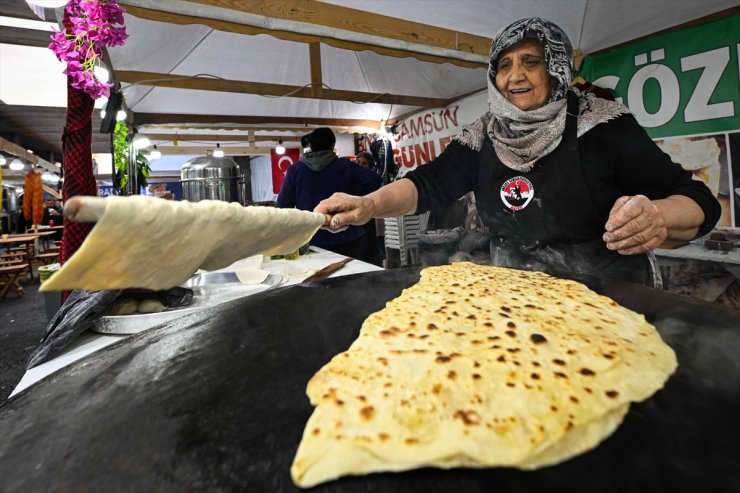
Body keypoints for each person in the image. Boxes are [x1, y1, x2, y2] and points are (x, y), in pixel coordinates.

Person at [315, 18, 720, 286]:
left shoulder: (603, 125)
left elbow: (698, 200)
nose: (515, 77)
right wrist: (368, 205)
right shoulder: (483, 134)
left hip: (609, 304)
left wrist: (658, 216)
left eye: (531, 62)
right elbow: (427, 184)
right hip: (518, 306)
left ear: (557, 69)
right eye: (504, 66)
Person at [277, 127, 383, 265]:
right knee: (352, 281)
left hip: (312, 239)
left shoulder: (295, 170)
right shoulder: (345, 166)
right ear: (332, 146)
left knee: (318, 282)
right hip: (349, 238)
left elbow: (283, 208)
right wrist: (356, 197)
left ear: (310, 146)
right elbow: (374, 179)